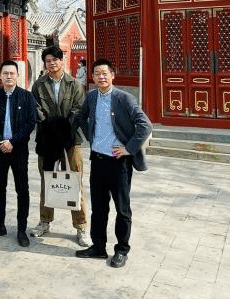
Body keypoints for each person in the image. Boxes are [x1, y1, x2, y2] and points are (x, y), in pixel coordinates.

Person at [75, 58, 152, 268]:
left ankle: (121, 250)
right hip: (98, 160)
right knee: (99, 208)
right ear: (92, 77)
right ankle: (98, 247)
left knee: (122, 209)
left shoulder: (124, 98)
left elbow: (145, 125)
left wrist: (129, 148)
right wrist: (91, 137)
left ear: (112, 75)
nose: (101, 77)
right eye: (97, 73)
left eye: (104, 73)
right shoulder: (92, 97)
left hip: (119, 164)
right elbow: (81, 117)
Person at [30, 45, 89, 246]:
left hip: (71, 139)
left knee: (75, 179)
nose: (52, 63)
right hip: (47, 139)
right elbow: (37, 110)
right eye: (48, 61)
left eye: (55, 59)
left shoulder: (74, 84)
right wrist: (52, 130)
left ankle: (81, 226)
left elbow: (78, 110)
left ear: (62, 61)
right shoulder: (39, 85)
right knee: (47, 179)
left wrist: (63, 131)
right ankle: (44, 221)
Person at [0, 59, 37, 247]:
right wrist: (1, 141)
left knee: (22, 189)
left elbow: (31, 122)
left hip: (19, 150)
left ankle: (21, 229)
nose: (8, 76)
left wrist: (12, 142)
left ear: (17, 75)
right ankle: (0, 225)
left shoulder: (27, 97)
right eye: (5, 73)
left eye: (12, 73)